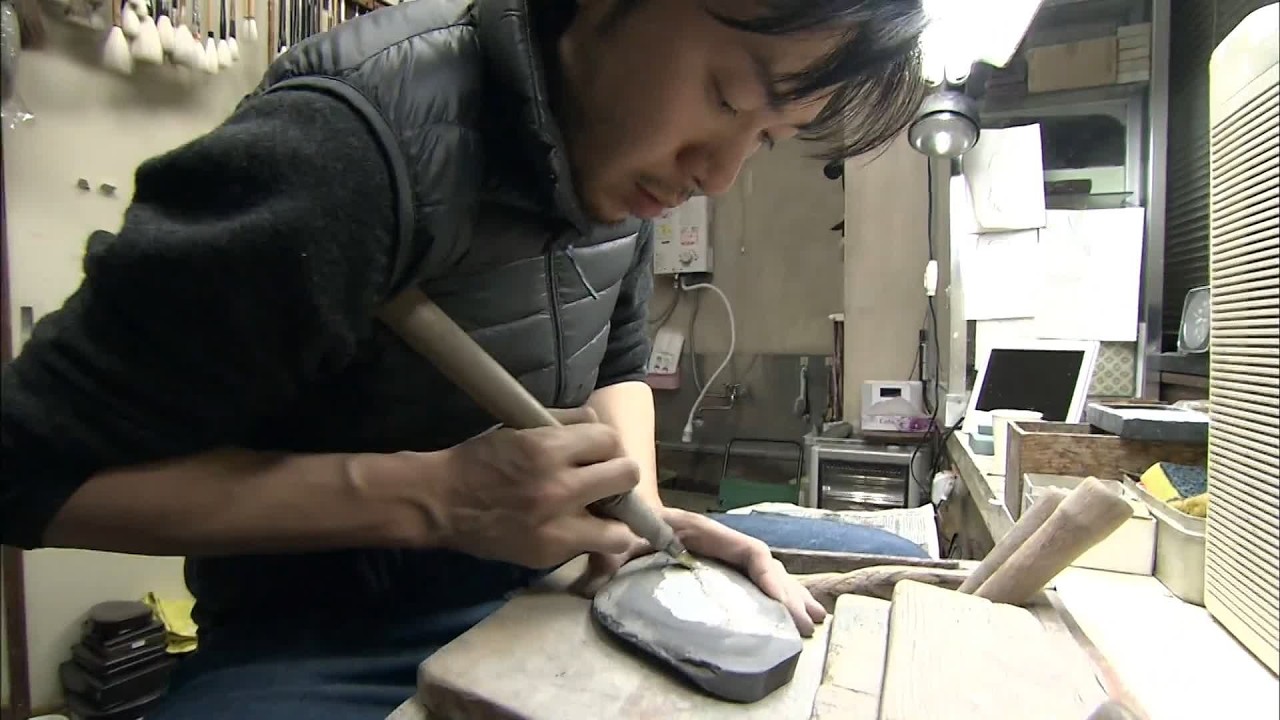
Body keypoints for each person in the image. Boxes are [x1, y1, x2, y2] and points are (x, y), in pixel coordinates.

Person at [1, 0, 927, 717]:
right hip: (324, 642)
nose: (717, 173)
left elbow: (618, 366)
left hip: (541, 578)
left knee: (883, 568)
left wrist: (638, 526)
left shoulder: (624, 166)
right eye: (727, 96)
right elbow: (23, 469)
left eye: (764, 138)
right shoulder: (346, 150)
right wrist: (438, 496)